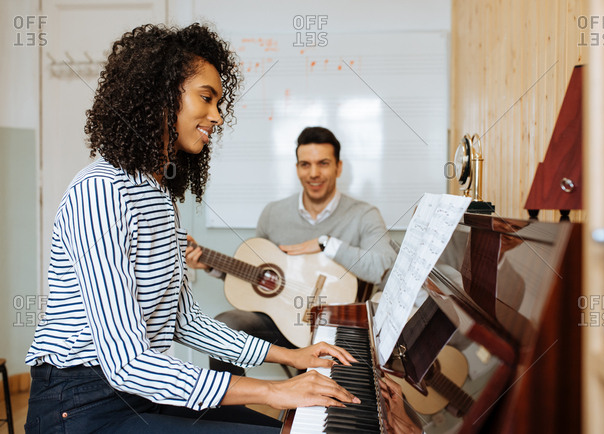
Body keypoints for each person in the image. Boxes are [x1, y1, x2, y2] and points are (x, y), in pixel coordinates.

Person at [24, 24, 360, 434]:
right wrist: (273, 392)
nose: (217, 116)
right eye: (206, 98)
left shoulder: (159, 194)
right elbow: (128, 363)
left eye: (219, 102)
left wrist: (292, 357)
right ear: (159, 96)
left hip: (136, 391)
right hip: (77, 406)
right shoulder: (100, 193)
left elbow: (184, 320)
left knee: (280, 429)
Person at [186, 126, 398, 373]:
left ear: (339, 167)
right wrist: (211, 266)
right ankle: (231, 404)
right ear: (297, 168)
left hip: (342, 325)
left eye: (323, 163)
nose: (314, 173)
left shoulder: (364, 215)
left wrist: (325, 244)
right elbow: (261, 279)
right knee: (225, 326)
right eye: (305, 164)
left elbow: (385, 266)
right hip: (285, 323)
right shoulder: (273, 214)